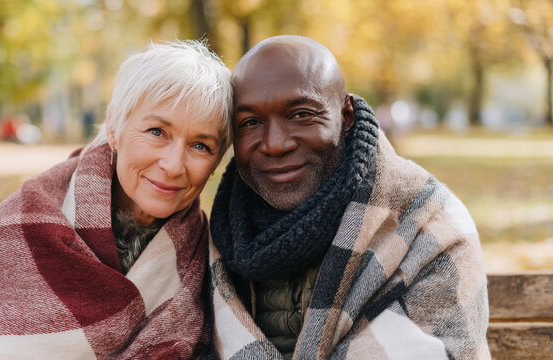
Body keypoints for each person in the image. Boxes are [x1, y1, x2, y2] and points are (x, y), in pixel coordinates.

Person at [0, 40, 232, 360]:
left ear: (216, 163)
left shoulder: (211, 250)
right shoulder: (24, 221)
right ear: (113, 129)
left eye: (200, 146)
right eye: (157, 132)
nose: (174, 165)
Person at [208, 35, 490, 359]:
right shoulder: (218, 234)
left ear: (346, 116)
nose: (275, 144)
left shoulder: (431, 224)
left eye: (301, 114)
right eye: (251, 122)